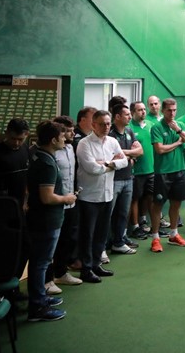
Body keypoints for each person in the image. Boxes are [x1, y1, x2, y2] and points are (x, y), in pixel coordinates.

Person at [26, 120, 77, 322]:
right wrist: (67, 198)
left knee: (40, 262)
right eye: (62, 136)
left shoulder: (37, 154)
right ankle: (37, 308)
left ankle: (40, 298)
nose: (65, 139)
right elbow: (47, 197)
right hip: (47, 220)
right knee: (41, 263)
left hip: (40, 219)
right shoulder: (47, 163)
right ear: (54, 139)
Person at [75, 110, 127, 282]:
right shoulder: (84, 144)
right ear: (93, 125)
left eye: (108, 123)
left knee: (102, 233)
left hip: (107, 195)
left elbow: (124, 161)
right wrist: (112, 164)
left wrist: (106, 163)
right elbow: (92, 168)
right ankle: (86, 269)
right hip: (89, 197)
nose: (106, 127)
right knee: (87, 235)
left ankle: (96, 264)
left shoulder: (112, 141)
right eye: (102, 124)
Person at [149, 98, 185, 252]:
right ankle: (155, 238)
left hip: (179, 171)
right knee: (158, 205)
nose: (172, 113)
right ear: (163, 111)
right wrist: (177, 143)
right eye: (169, 110)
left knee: (176, 204)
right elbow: (160, 150)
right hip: (162, 172)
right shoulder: (156, 127)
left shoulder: (180, 125)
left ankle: (173, 234)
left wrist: (179, 131)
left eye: (174, 110)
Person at [46, 116, 82, 291]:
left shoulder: (70, 148)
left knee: (68, 240)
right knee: (51, 244)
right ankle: (47, 280)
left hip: (70, 203)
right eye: (68, 131)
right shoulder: (51, 152)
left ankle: (60, 274)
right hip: (54, 205)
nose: (72, 133)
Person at [108, 104, 142, 255]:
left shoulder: (129, 131)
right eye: (127, 114)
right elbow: (109, 155)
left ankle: (119, 242)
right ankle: (103, 246)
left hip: (128, 178)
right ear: (117, 117)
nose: (130, 116)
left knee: (123, 213)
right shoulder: (109, 134)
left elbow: (140, 151)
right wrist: (130, 155)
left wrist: (124, 153)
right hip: (113, 180)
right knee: (108, 214)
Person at [0, 117, 31, 203]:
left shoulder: (26, 149)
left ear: (27, 135)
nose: (16, 143)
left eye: (20, 139)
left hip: (20, 203)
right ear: (6, 133)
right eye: (13, 138)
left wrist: (26, 200)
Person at [128, 102, 155, 240]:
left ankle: (144, 221)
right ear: (133, 112)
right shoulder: (129, 128)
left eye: (144, 109)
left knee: (149, 196)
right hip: (136, 172)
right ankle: (135, 226)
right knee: (135, 199)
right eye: (139, 110)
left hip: (151, 169)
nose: (143, 112)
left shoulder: (151, 125)